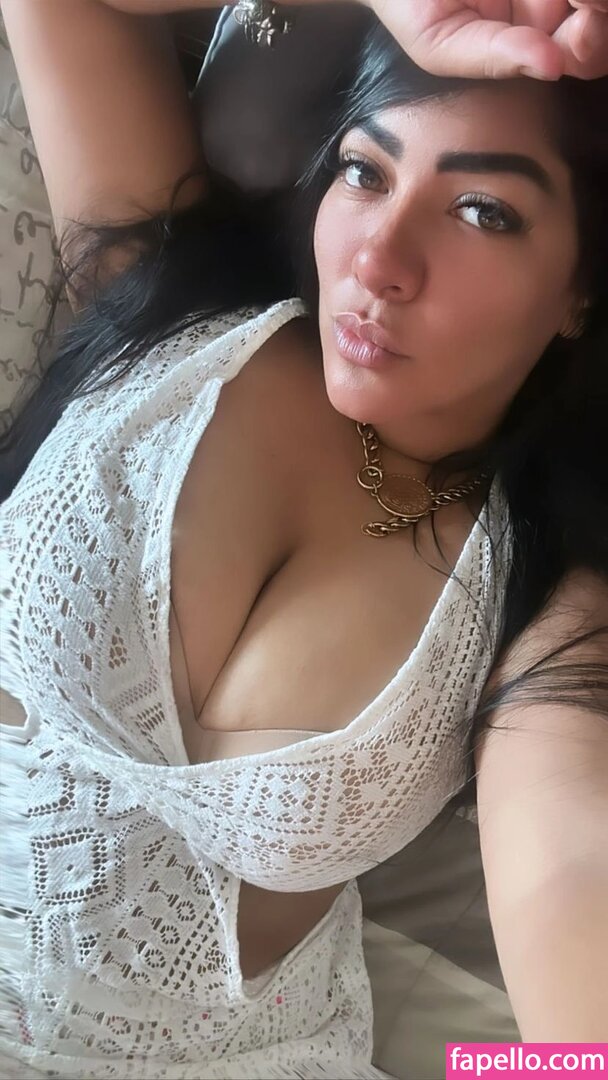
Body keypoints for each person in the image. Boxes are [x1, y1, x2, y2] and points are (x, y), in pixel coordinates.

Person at [1, 0, 607, 1076]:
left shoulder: (542, 598)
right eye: (365, 171)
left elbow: (568, 870)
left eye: (481, 211)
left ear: (580, 293)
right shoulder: (171, 303)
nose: (377, 258)